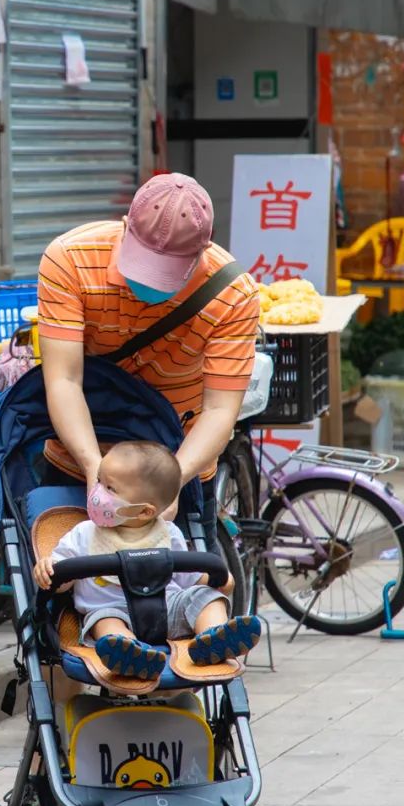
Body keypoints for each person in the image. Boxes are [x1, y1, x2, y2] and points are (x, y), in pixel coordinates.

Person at [38, 173, 260, 546]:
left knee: (184, 587)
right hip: (80, 452)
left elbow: (221, 410)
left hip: (178, 458)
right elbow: (64, 380)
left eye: (167, 273)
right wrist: (94, 468)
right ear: (125, 228)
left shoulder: (234, 294)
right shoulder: (69, 259)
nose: (150, 288)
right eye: (142, 266)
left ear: (202, 253)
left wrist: (172, 483)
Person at [33, 441, 261, 681]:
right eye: (100, 481)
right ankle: (130, 654)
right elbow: (62, 581)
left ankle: (213, 637)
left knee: (205, 598)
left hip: (168, 608)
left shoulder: (168, 533)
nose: (97, 493)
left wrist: (217, 578)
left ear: (144, 511)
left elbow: (188, 579)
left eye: (110, 488)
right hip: (112, 609)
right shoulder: (84, 534)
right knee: (104, 622)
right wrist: (48, 570)